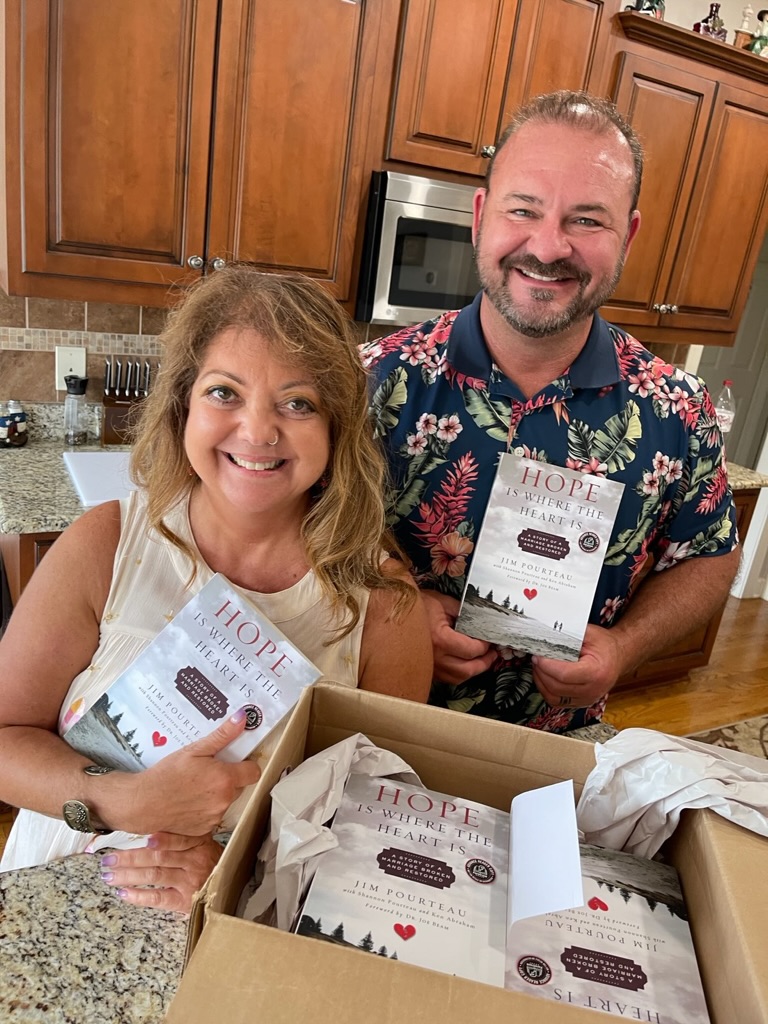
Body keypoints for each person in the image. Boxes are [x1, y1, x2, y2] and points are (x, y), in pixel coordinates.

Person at [0, 268, 432, 910]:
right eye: (224, 392)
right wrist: (122, 799)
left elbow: (379, 819)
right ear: (182, 406)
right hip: (58, 891)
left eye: (299, 402)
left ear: (337, 428)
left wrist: (238, 867)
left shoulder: (385, 603)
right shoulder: (107, 543)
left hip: (252, 917)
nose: (257, 432)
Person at [362, 90, 739, 733]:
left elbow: (710, 553)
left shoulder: (676, 410)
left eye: (587, 220)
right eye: (524, 209)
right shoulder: (372, 381)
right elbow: (293, 528)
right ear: (482, 215)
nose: (548, 245)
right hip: (369, 730)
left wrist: (625, 647)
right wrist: (392, 604)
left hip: (557, 749)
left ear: (629, 235)